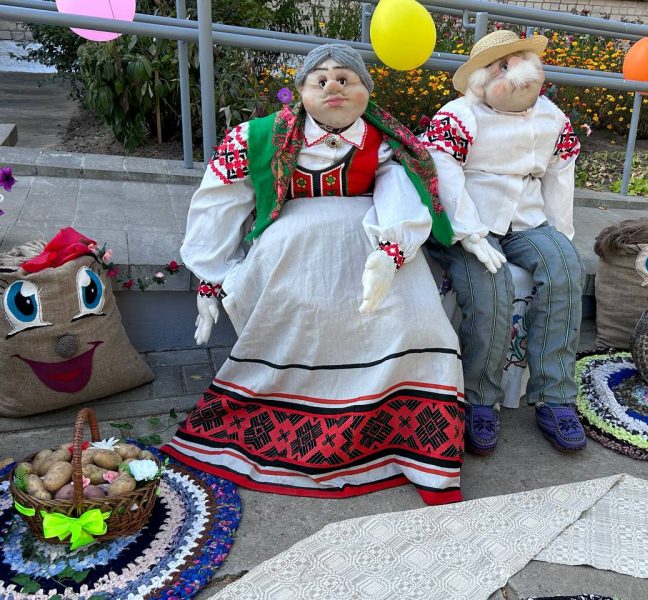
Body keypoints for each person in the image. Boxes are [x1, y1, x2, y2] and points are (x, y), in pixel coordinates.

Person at [163, 44, 465, 505]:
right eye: (319, 80)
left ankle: (406, 438)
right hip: (289, 254)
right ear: (301, 91)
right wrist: (211, 275)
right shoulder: (257, 138)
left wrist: (391, 252)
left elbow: (398, 192)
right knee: (294, 317)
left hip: (369, 248)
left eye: (346, 78)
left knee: (418, 320)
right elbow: (220, 202)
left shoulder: (384, 142)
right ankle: (287, 425)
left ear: (366, 90)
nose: (332, 87)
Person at [420, 30, 586, 455]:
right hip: (469, 221)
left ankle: (555, 395)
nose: (518, 74)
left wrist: (561, 234)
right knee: (489, 285)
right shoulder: (458, 117)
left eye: (521, 62)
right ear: (481, 81)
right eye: (503, 66)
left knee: (566, 270)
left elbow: (560, 176)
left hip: (527, 218)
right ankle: (479, 398)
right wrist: (470, 234)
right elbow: (444, 176)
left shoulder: (553, 119)